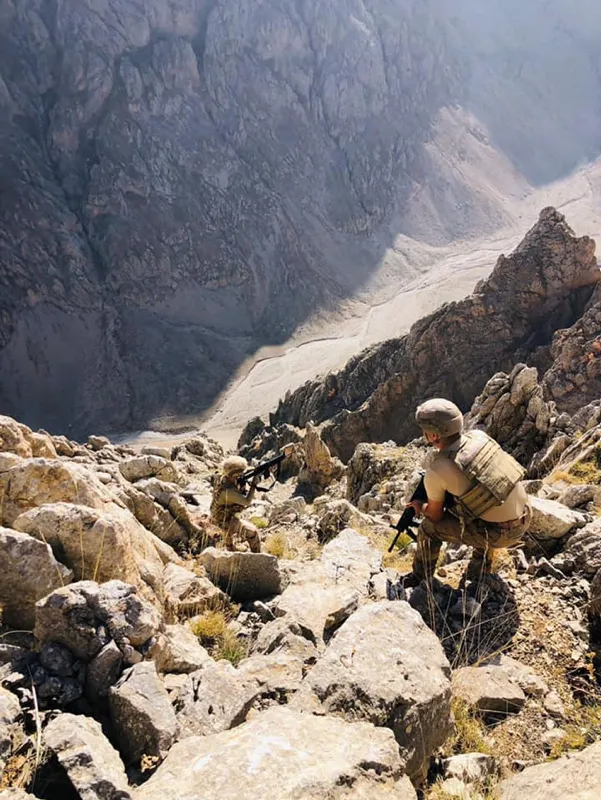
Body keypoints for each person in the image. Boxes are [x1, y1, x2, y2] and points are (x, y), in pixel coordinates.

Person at [404, 398, 531, 587]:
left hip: (501, 534)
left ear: (433, 435)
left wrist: (420, 506)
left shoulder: (439, 468)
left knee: (428, 529)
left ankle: (420, 579)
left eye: (424, 430)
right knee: (482, 506)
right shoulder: (479, 436)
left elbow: (435, 517)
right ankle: (478, 572)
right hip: (526, 514)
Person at [210, 456, 262, 553]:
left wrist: (256, 470)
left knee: (231, 545)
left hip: (220, 517)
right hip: (225, 522)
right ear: (235, 475)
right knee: (253, 532)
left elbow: (240, 472)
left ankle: (230, 547)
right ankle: (258, 556)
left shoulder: (223, 479)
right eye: (239, 474)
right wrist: (254, 484)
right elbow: (247, 501)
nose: (241, 475)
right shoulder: (228, 492)